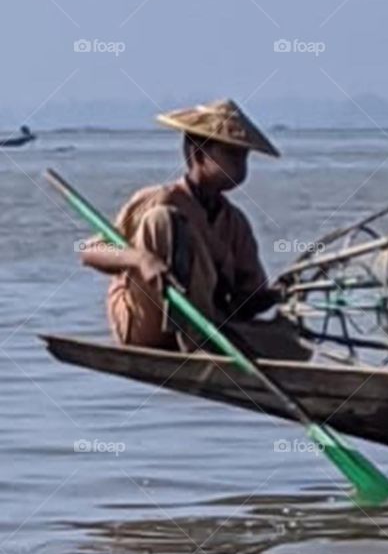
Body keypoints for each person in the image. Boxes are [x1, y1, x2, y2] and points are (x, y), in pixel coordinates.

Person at [80, 98, 310, 361]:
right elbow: (90, 251)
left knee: (292, 342)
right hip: (145, 322)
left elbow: (247, 299)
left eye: (243, 157)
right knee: (164, 220)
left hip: (210, 323)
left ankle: (213, 337)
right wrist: (141, 259)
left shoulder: (235, 222)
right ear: (198, 155)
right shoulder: (159, 198)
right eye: (232, 155)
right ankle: (201, 340)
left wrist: (279, 294)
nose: (240, 166)